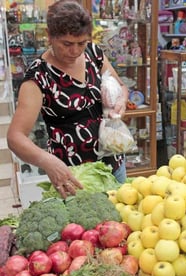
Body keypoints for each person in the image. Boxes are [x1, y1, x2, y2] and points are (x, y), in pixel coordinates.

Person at [7, 0, 129, 198]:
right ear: (49, 36)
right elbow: (15, 137)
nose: (75, 51)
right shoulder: (38, 77)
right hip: (74, 177)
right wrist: (46, 161)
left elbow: (120, 86)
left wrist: (121, 101)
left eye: (81, 43)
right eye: (67, 44)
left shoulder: (93, 54)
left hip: (113, 162)